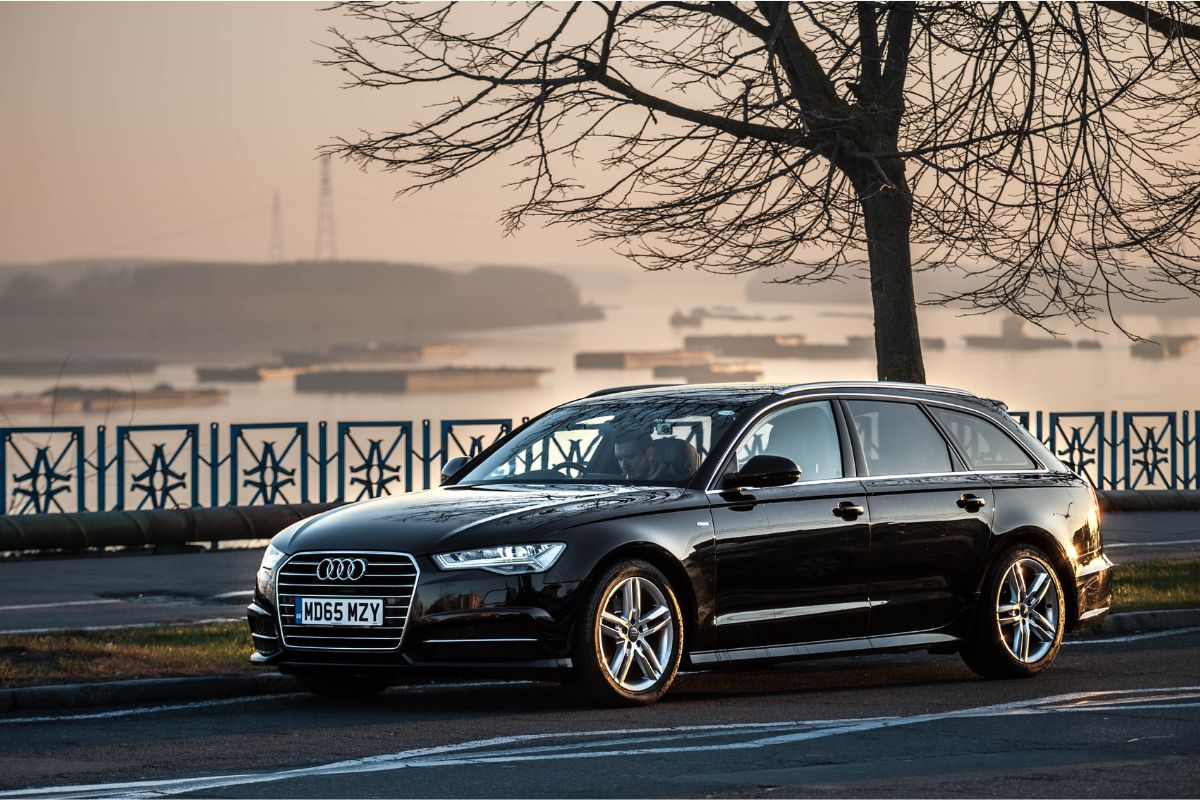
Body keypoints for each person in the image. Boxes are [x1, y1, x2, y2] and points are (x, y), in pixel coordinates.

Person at [613, 431, 693, 481]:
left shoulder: (677, 484)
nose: (624, 465)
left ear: (650, 454)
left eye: (630, 457)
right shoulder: (616, 483)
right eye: (619, 458)